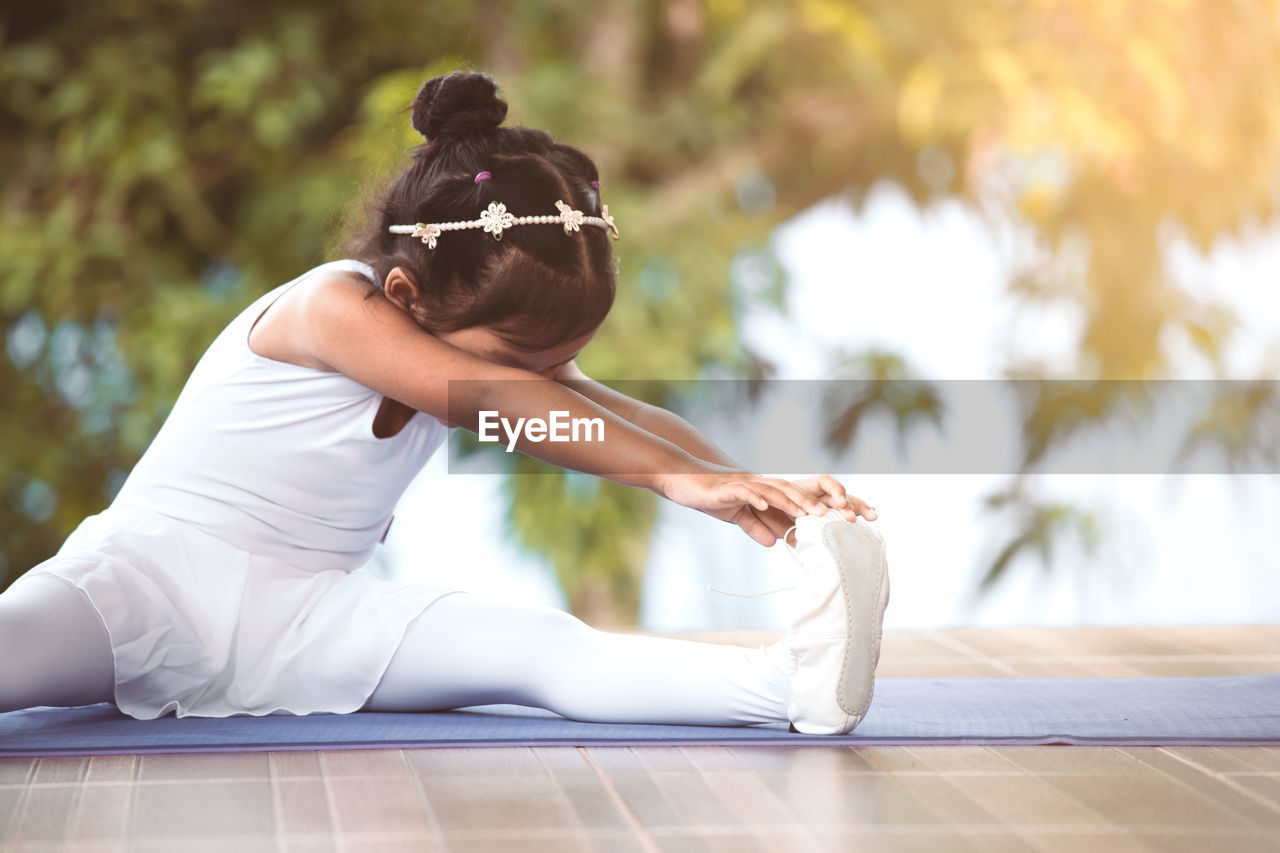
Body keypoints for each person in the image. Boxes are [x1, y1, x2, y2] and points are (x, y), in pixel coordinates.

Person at [0, 71, 889, 734]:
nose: (547, 376)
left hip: (308, 614)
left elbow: (617, 412)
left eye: (564, 360)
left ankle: (791, 686)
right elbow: (498, 402)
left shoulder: (478, 345)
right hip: (145, 583)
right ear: (407, 292)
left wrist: (740, 481)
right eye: (528, 359)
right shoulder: (330, 308)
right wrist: (674, 481)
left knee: (540, 648)